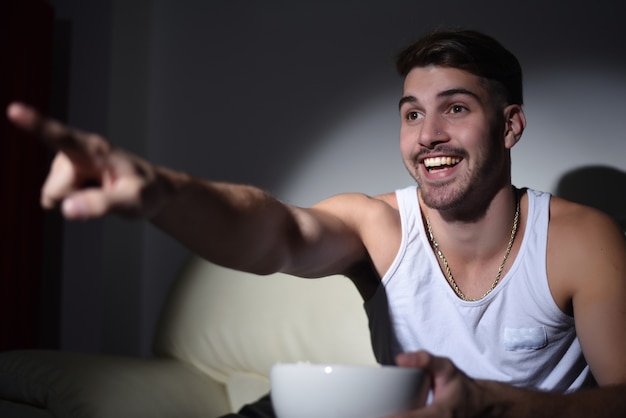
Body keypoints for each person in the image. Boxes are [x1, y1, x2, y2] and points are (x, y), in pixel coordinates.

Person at [7, 29, 626, 417]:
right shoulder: (376, 223)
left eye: (455, 109)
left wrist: (490, 405)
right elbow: (274, 232)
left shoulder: (579, 239)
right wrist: (159, 192)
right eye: (412, 114)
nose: (428, 136)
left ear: (510, 125)